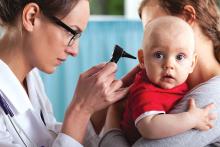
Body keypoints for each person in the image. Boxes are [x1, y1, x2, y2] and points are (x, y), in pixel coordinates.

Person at [0, 0, 130, 146]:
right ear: (31, 17)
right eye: (71, 32)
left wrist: (96, 110)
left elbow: (51, 137)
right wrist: (80, 109)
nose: (75, 51)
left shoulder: (31, 77)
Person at [99, 0, 220, 147]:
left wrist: (114, 115)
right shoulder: (168, 86)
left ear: (187, 17)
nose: (150, 36)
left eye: (152, 25)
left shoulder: (213, 98)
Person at [121, 16, 215, 145]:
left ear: (192, 64)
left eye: (180, 57)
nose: (169, 64)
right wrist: (190, 119)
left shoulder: (185, 84)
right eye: (158, 55)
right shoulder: (144, 90)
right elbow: (149, 127)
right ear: (142, 60)